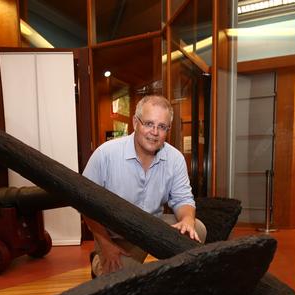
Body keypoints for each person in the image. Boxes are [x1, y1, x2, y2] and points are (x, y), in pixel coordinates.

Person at [82, 95, 206, 277]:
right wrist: (105, 244)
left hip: (152, 227)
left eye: (162, 127)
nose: (154, 132)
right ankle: (99, 260)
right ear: (135, 122)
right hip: (117, 236)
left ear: (168, 130)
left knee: (197, 230)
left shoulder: (175, 158)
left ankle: (174, 279)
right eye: (148, 123)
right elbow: (85, 203)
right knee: (124, 280)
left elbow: (183, 199)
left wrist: (187, 220)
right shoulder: (106, 154)